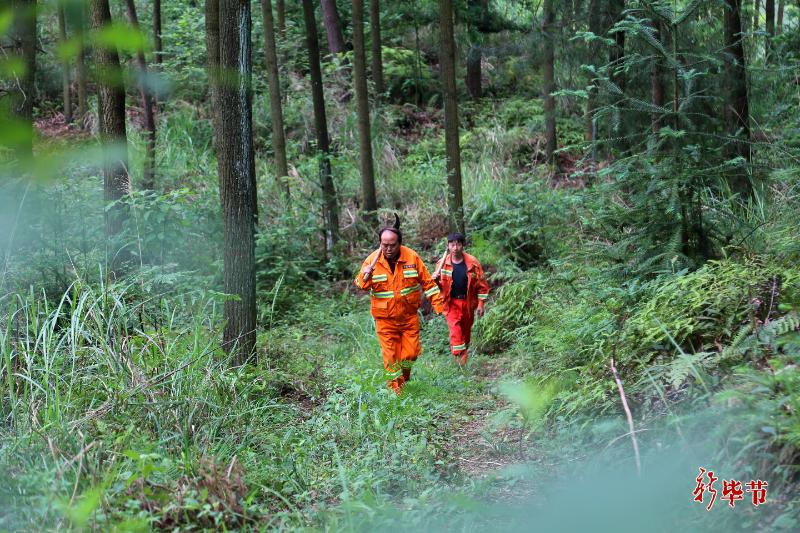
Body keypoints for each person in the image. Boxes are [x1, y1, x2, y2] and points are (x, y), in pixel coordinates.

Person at [354, 217, 444, 393]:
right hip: (385, 320)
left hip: (409, 318)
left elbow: (428, 283)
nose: (387, 249)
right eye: (384, 245)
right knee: (390, 357)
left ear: (399, 244)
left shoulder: (412, 257)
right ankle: (396, 393)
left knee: (410, 354)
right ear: (380, 243)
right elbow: (360, 285)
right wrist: (366, 274)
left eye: (392, 245)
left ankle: (404, 379)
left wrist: (439, 305)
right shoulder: (372, 260)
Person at [433, 232, 490, 366]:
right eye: (452, 245)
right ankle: (460, 365)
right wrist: (436, 281)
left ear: (462, 246)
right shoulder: (442, 263)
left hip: (468, 303)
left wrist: (481, 304)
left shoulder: (472, 263)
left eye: (458, 244)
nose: (455, 248)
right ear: (448, 246)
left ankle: (460, 360)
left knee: (465, 333)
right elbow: (440, 288)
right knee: (455, 332)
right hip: (451, 303)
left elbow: (482, 285)